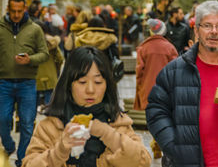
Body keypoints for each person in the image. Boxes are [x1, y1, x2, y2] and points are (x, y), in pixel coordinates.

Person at [146, 0, 218, 167]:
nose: (214, 32)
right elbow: (156, 110)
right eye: (207, 25)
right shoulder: (173, 71)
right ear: (196, 30)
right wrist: (174, 146)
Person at [22, 46, 152, 167]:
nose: (90, 90)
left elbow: (142, 161)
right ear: (68, 84)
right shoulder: (51, 125)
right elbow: (29, 164)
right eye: (82, 82)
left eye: (98, 82)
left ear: (107, 85)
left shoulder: (118, 122)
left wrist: (107, 133)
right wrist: (59, 151)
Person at [0, 0, 49, 167]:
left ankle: (22, 160)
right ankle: (8, 145)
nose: (16, 14)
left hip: (27, 83)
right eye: (13, 11)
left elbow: (44, 53)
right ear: (8, 8)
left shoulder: (35, 29)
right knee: (2, 119)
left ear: (25, 10)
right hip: (3, 82)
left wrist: (30, 59)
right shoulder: (0, 27)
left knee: (27, 124)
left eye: (19, 11)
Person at [134, 18, 178, 159]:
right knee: (165, 116)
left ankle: (155, 142)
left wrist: (140, 88)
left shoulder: (143, 48)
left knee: (152, 118)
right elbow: (176, 70)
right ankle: (159, 142)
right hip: (166, 89)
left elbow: (139, 71)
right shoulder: (170, 47)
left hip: (148, 89)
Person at [36, 22, 64, 111]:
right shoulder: (53, 43)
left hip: (35, 75)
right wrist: (57, 68)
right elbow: (60, 58)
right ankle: (48, 116)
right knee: (49, 97)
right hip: (50, 74)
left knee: (33, 99)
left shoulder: (30, 43)